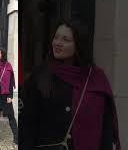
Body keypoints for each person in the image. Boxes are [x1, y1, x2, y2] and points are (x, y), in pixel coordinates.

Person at [20, 19, 121, 150]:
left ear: (79, 45)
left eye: (66, 40)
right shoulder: (40, 76)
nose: (57, 43)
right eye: (56, 38)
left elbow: (105, 129)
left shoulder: (96, 78)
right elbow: (27, 125)